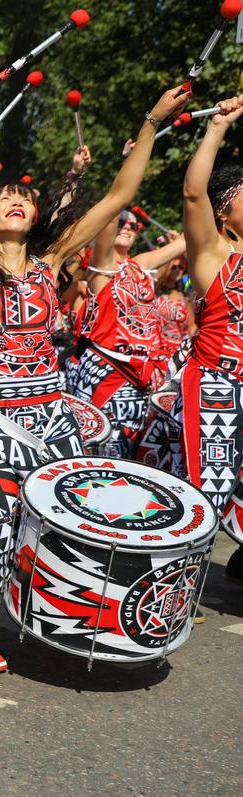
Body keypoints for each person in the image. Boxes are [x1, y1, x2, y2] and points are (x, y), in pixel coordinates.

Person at [0, 77, 191, 671]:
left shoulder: (52, 262)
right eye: (3, 196)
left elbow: (119, 193)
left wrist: (152, 121)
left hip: (49, 406)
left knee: (57, 507)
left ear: (34, 218)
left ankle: (54, 607)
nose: (15, 201)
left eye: (24, 198)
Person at [180, 94, 243, 581]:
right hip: (218, 385)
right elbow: (194, 194)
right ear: (225, 212)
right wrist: (217, 129)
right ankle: (176, 581)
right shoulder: (214, 256)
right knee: (209, 491)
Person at [71, 212, 185, 457]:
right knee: (97, 451)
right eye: (121, 223)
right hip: (106, 372)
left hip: (142, 377)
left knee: (130, 452)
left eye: (133, 225)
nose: (127, 227)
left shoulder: (141, 264)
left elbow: (190, 239)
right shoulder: (102, 267)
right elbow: (110, 214)